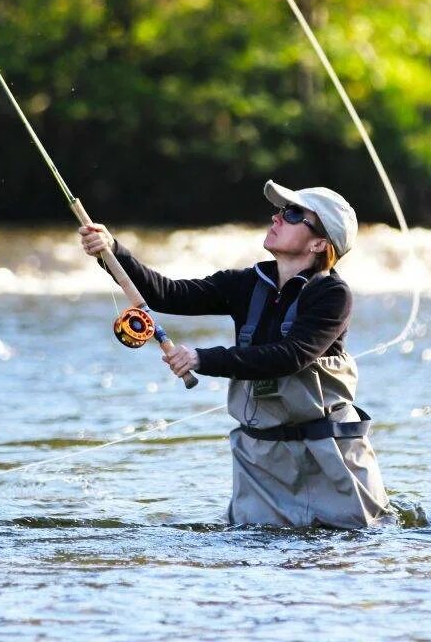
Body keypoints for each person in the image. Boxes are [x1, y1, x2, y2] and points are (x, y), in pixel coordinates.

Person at [79, 180, 391, 529]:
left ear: (319, 242)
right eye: (279, 211)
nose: (276, 217)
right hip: (262, 462)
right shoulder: (244, 283)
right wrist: (112, 251)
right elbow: (167, 294)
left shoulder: (333, 295)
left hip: (331, 457)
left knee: (354, 543)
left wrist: (203, 359)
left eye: (291, 214)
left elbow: (291, 356)